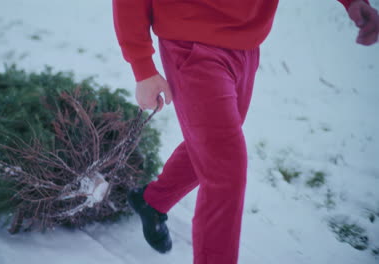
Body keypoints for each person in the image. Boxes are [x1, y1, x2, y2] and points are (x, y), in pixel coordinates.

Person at [112, 0, 379, 263]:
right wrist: (141, 65)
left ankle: (152, 201)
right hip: (189, 41)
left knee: (213, 150)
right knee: (226, 168)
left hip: (246, 45)